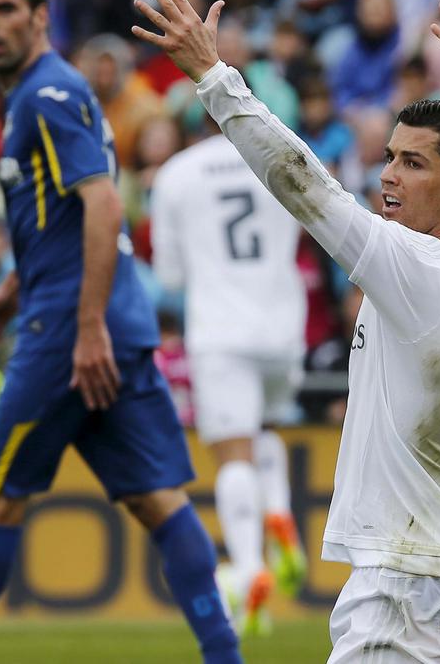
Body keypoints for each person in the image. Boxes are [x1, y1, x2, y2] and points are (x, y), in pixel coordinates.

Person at [136, 0, 440, 663]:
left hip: (409, 592)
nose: (388, 176)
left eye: (412, 164)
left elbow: (307, 186)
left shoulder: (418, 272)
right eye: (390, 157)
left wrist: (212, 76)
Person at [0, 0, 240, 664]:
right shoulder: (47, 95)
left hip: (69, 332)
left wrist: (84, 328)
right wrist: (8, 292)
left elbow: (103, 206)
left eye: (5, 9)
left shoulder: (45, 94)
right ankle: (225, 658)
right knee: (157, 501)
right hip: (111, 322)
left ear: (40, 16)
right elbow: (65, 223)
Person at [150, 113, 309, 635]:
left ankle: (247, 566)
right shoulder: (283, 154)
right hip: (284, 325)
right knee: (265, 428)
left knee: (232, 451)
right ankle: (279, 508)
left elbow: (169, 275)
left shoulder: (177, 173)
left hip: (221, 331)